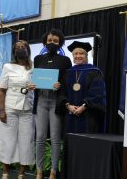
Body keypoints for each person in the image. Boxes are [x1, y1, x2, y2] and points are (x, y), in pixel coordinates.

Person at [33, 29, 72, 179]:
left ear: (60, 43)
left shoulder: (65, 60)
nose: (52, 43)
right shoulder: (38, 59)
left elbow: (67, 82)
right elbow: (36, 78)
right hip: (41, 100)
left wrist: (60, 84)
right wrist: (33, 85)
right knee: (40, 137)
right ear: (45, 41)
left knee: (56, 138)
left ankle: (54, 171)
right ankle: (39, 171)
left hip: (56, 102)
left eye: (55, 41)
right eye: (49, 40)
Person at [0, 40, 35, 179]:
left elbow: (42, 84)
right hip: (10, 108)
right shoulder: (8, 66)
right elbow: (1, 90)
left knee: (26, 141)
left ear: (28, 50)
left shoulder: (33, 68)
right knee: (8, 139)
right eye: (18, 47)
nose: (20, 49)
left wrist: (53, 84)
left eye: (23, 47)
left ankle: (21, 173)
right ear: (14, 51)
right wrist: (1, 111)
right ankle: (5, 171)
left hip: (27, 109)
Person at [63, 41, 106, 133]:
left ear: (86, 56)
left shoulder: (94, 71)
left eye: (81, 53)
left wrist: (84, 106)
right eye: (75, 54)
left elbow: (98, 93)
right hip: (71, 114)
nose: (78, 56)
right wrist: (68, 105)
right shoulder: (68, 72)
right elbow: (63, 92)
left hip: (89, 115)